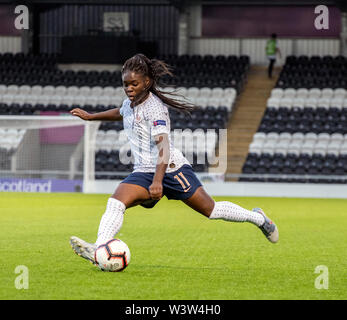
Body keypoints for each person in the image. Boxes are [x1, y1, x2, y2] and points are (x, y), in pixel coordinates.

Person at [69, 53, 279, 266]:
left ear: (147, 82)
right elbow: (121, 112)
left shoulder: (155, 108)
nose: (129, 88)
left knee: (211, 210)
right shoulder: (129, 103)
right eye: (126, 84)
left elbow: (164, 146)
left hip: (171, 169)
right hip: (143, 171)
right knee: (115, 202)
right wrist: (91, 116)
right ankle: (99, 248)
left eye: (134, 84)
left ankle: (259, 219)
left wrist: (158, 181)